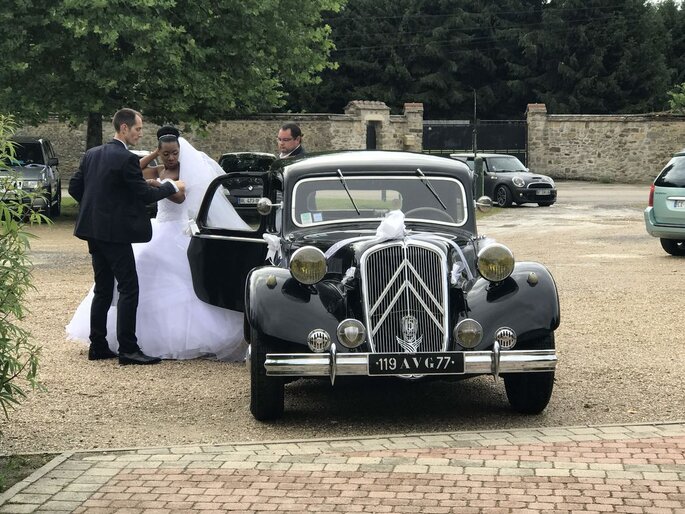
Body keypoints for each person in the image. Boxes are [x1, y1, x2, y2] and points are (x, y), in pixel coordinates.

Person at [67, 126, 249, 361]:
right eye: (166, 154)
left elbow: (179, 196)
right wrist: (155, 155)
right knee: (120, 285)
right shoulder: (157, 168)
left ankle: (115, 345)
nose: (171, 158)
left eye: (175, 153)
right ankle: (120, 346)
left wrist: (161, 185)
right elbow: (137, 168)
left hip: (176, 230)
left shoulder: (186, 172)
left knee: (127, 285)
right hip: (154, 228)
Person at [68, 109, 185, 365]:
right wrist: (170, 187)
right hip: (115, 234)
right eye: (138, 129)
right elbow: (143, 195)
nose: (140, 134)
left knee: (103, 288)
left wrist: (97, 209)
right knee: (128, 288)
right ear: (124, 128)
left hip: (92, 231)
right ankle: (128, 349)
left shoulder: (92, 154)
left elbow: (75, 188)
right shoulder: (126, 158)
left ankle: (98, 345)